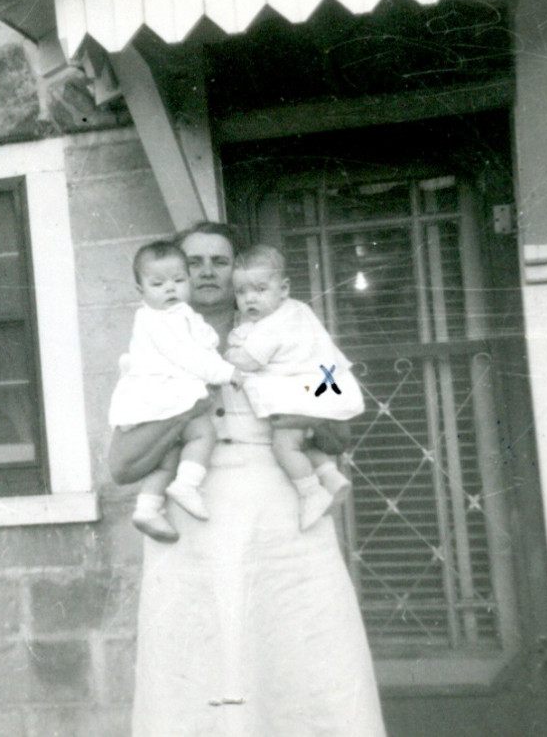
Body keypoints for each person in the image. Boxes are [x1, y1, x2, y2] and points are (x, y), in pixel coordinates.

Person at [109, 222, 387, 737]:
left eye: (220, 261)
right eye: (193, 263)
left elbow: (338, 422)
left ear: (238, 269)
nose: (206, 272)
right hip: (192, 514)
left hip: (280, 507)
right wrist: (185, 406)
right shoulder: (150, 347)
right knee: (197, 658)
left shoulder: (287, 329)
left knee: (304, 648)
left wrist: (292, 403)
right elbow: (122, 464)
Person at [108, 240, 242, 543]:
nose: (170, 288)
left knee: (171, 456)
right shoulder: (159, 321)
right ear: (141, 289)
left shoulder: (184, 316)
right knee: (196, 435)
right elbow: (189, 356)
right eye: (158, 284)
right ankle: (182, 488)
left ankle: (147, 508)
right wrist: (225, 374)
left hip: (249, 496)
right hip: (166, 396)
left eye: (178, 280)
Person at [224, 243, 363, 530]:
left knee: (284, 445)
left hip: (300, 395)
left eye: (260, 289)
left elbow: (248, 360)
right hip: (322, 391)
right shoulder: (299, 310)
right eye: (241, 292)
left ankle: (311, 494)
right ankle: (330, 474)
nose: (250, 299)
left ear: (284, 289)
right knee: (302, 441)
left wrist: (228, 355)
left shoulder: (273, 323)